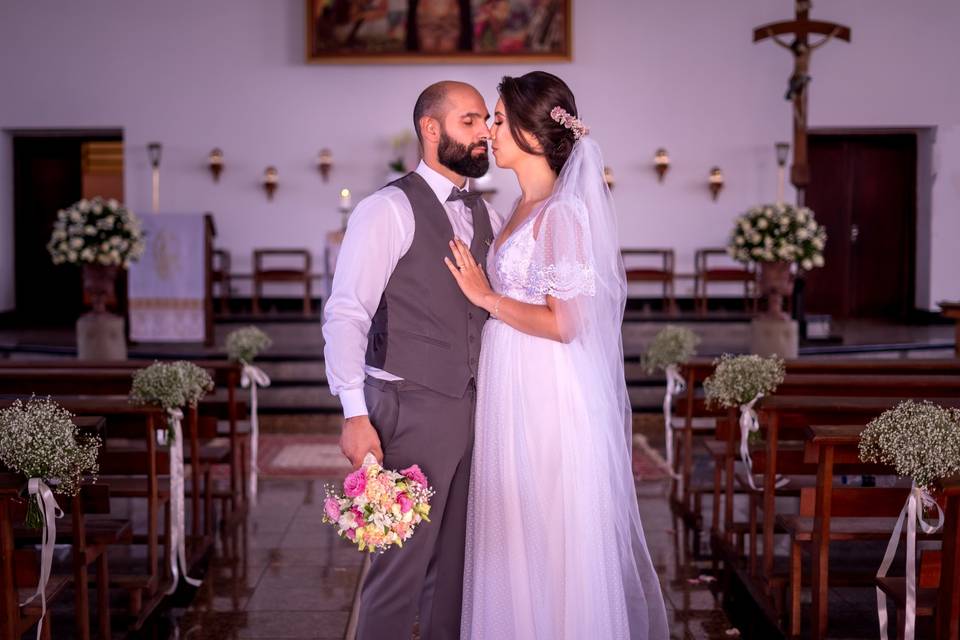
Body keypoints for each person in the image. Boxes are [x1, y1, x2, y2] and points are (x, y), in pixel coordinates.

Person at [445, 71, 669, 639]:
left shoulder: (561, 216)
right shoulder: (520, 208)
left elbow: (566, 323)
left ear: (530, 131)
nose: (489, 132)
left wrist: (486, 298)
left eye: (498, 119)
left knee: (543, 520)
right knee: (512, 528)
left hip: (543, 387)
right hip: (510, 378)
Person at [322, 80, 503, 640]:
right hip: (409, 405)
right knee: (399, 569)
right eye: (470, 122)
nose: (484, 135)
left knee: (456, 571)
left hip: (474, 409)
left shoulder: (490, 216)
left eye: (485, 123)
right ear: (432, 129)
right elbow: (347, 313)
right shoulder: (386, 209)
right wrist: (354, 413)